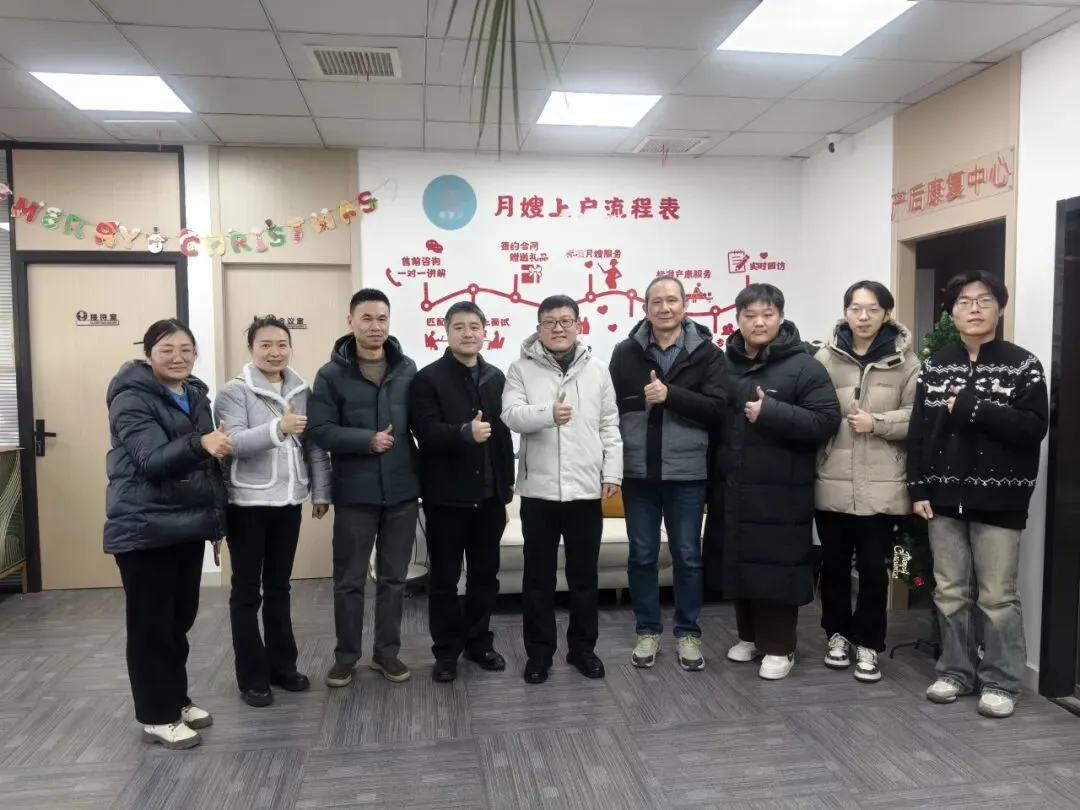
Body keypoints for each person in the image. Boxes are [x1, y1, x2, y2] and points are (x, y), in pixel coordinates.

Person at [907, 270, 1047, 719]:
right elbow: (919, 432)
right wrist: (917, 486)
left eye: (984, 300)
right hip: (943, 498)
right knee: (950, 592)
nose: (974, 308)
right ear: (951, 312)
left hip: (1000, 500)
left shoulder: (1023, 365)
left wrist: (974, 408)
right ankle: (955, 672)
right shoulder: (935, 365)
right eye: (964, 301)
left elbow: (1033, 428)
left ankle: (1002, 681)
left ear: (999, 309)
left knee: (998, 597)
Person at [705, 283, 840, 680]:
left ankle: (781, 647)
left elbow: (826, 421)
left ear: (781, 317)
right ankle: (750, 636)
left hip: (782, 490)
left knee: (776, 568)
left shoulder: (805, 365)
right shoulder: (724, 364)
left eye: (767, 314)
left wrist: (772, 412)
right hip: (733, 486)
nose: (758, 322)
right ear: (738, 319)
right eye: (750, 315)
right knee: (739, 563)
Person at [104, 319, 229, 750]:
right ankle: (156, 715)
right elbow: (153, 460)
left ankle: (176, 699)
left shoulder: (194, 394)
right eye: (166, 349)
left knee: (179, 621)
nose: (178, 357)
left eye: (186, 349)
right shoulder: (130, 397)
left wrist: (215, 524)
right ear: (148, 354)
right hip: (144, 527)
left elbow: (208, 468)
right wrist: (201, 444)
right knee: (151, 627)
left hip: (186, 525)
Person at [501, 295, 623, 685]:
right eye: (550, 322)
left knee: (584, 578)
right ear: (538, 329)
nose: (558, 328)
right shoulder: (520, 369)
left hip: (585, 491)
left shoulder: (598, 371)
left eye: (566, 321)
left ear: (578, 325)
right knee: (538, 579)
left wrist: (612, 473)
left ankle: (583, 650)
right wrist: (547, 414)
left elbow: (610, 426)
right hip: (538, 493)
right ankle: (539, 654)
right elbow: (510, 416)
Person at [609, 277, 727, 671]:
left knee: (688, 556)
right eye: (656, 301)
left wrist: (671, 396)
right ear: (645, 308)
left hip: (687, 473)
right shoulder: (625, 352)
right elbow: (611, 411)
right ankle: (647, 630)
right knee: (642, 556)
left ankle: (689, 633)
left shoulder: (707, 353)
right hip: (638, 473)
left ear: (685, 305)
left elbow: (717, 409)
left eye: (671, 300)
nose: (664, 308)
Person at [213, 316, 332, 707]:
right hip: (247, 505)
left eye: (281, 344)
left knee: (280, 587)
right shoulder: (234, 392)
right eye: (265, 345)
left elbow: (313, 444)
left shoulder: (301, 389)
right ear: (251, 348)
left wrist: (320, 491)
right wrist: (278, 428)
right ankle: (252, 677)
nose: (275, 352)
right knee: (247, 592)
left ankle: (284, 667)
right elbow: (232, 443)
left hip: (287, 503)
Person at [307, 289, 420, 687]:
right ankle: (346, 657)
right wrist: (366, 441)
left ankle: (386, 653)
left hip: (402, 491)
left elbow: (422, 424)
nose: (375, 326)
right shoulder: (330, 374)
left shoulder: (407, 368)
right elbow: (320, 430)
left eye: (382, 319)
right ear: (350, 321)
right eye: (367, 318)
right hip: (355, 493)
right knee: (350, 580)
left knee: (394, 579)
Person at [814, 281, 919, 683]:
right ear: (845, 312)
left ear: (886, 314)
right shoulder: (825, 358)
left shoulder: (906, 361)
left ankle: (869, 644)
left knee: (875, 571)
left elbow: (917, 416)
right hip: (833, 481)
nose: (863, 317)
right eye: (855, 309)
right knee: (835, 566)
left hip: (882, 484)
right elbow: (811, 410)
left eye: (872, 309)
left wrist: (877, 422)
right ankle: (837, 635)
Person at [409, 302, 516, 683]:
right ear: (446, 332)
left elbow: (503, 437)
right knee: (444, 580)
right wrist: (463, 433)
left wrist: (506, 486)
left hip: (489, 499)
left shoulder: (496, 378)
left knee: (485, 577)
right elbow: (424, 431)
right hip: (446, 499)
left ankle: (479, 643)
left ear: (485, 331)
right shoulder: (428, 379)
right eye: (459, 327)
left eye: (474, 326)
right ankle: (446, 652)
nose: (467, 333)